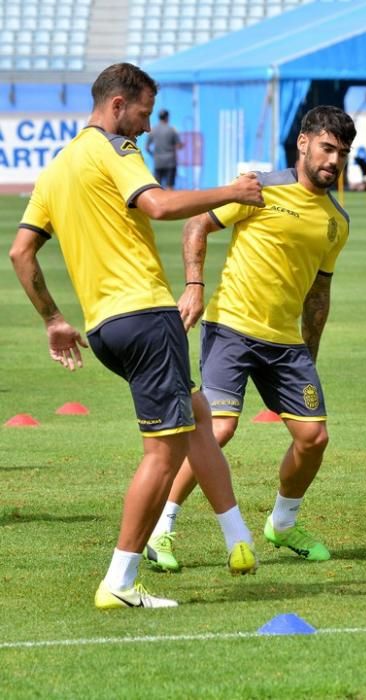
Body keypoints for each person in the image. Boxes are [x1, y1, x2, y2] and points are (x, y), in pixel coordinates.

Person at [9, 62, 265, 610]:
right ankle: (119, 581)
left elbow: (20, 251)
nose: (147, 128)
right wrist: (235, 192)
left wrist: (54, 318)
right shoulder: (113, 149)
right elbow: (159, 205)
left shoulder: (55, 169)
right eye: (144, 114)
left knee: (197, 415)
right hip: (147, 315)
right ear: (118, 105)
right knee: (163, 452)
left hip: (105, 328)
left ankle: (238, 538)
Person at [145, 105, 357, 572]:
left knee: (313, 437)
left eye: (342, 153)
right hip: (232, 328)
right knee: (217, 429)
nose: (334, 161)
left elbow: (319, 292)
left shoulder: (336, 222)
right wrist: (195, 286)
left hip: (286, 344)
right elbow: (196, 223)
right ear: (303, 143)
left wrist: (310, 350)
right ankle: (162, 528)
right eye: (327, 148)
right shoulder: (258, 188)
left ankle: (282, 524)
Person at [146, 108, 183, 189]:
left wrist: (154, 155)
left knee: (157, 187)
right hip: (170, 162)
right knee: (170, 186)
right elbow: (179, 146)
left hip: (158, 162)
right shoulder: (172, 130)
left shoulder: (153, 130)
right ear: (167, 117)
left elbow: (147, 147)